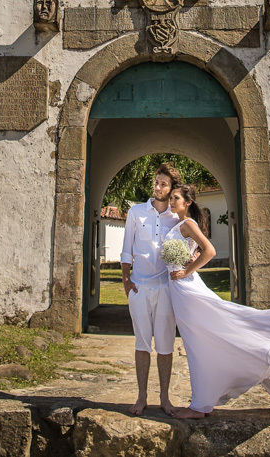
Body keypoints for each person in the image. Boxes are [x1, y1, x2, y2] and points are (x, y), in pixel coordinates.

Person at [165, 184, 270, 418]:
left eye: (175, 198)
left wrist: (186, 271)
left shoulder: (188, 224)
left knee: (199, 343)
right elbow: (196, 250)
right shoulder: (180, 224)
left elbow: (209, 251)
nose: (171, 201)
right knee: (197, 343)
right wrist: (189, 259)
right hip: (178, 290)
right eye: (171, 198)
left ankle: (200, 405)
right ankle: (202, 401)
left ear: (187, 202)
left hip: (186, 290)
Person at [119, 161, 182, 416]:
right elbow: (126, 248)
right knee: (142, 344)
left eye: (163, 184)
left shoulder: (177, 217)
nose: (157, 186)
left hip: (166, 289)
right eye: (156, 181)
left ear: (171, 188)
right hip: (139, 288)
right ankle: (142, 396)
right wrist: (126, 282)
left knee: (166, 345)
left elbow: (193, 246)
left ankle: (165, 398)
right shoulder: (136, 212)